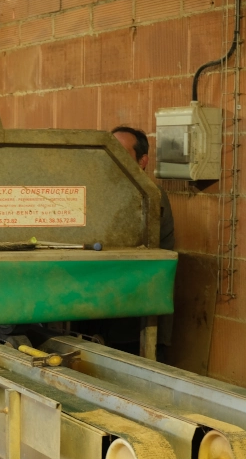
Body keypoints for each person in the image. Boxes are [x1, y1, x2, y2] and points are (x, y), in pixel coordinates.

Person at [73, 126, 176, 360]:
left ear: (142, 161)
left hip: (135, 318)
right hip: (98, 313)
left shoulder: (151, 198)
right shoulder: (99, 194)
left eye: (121, 153)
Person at [111, 126, 175, 251]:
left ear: (142, 161)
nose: (113, 158)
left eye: (121, 153)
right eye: (109, 151)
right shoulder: (94, 190)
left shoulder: (151, 195)